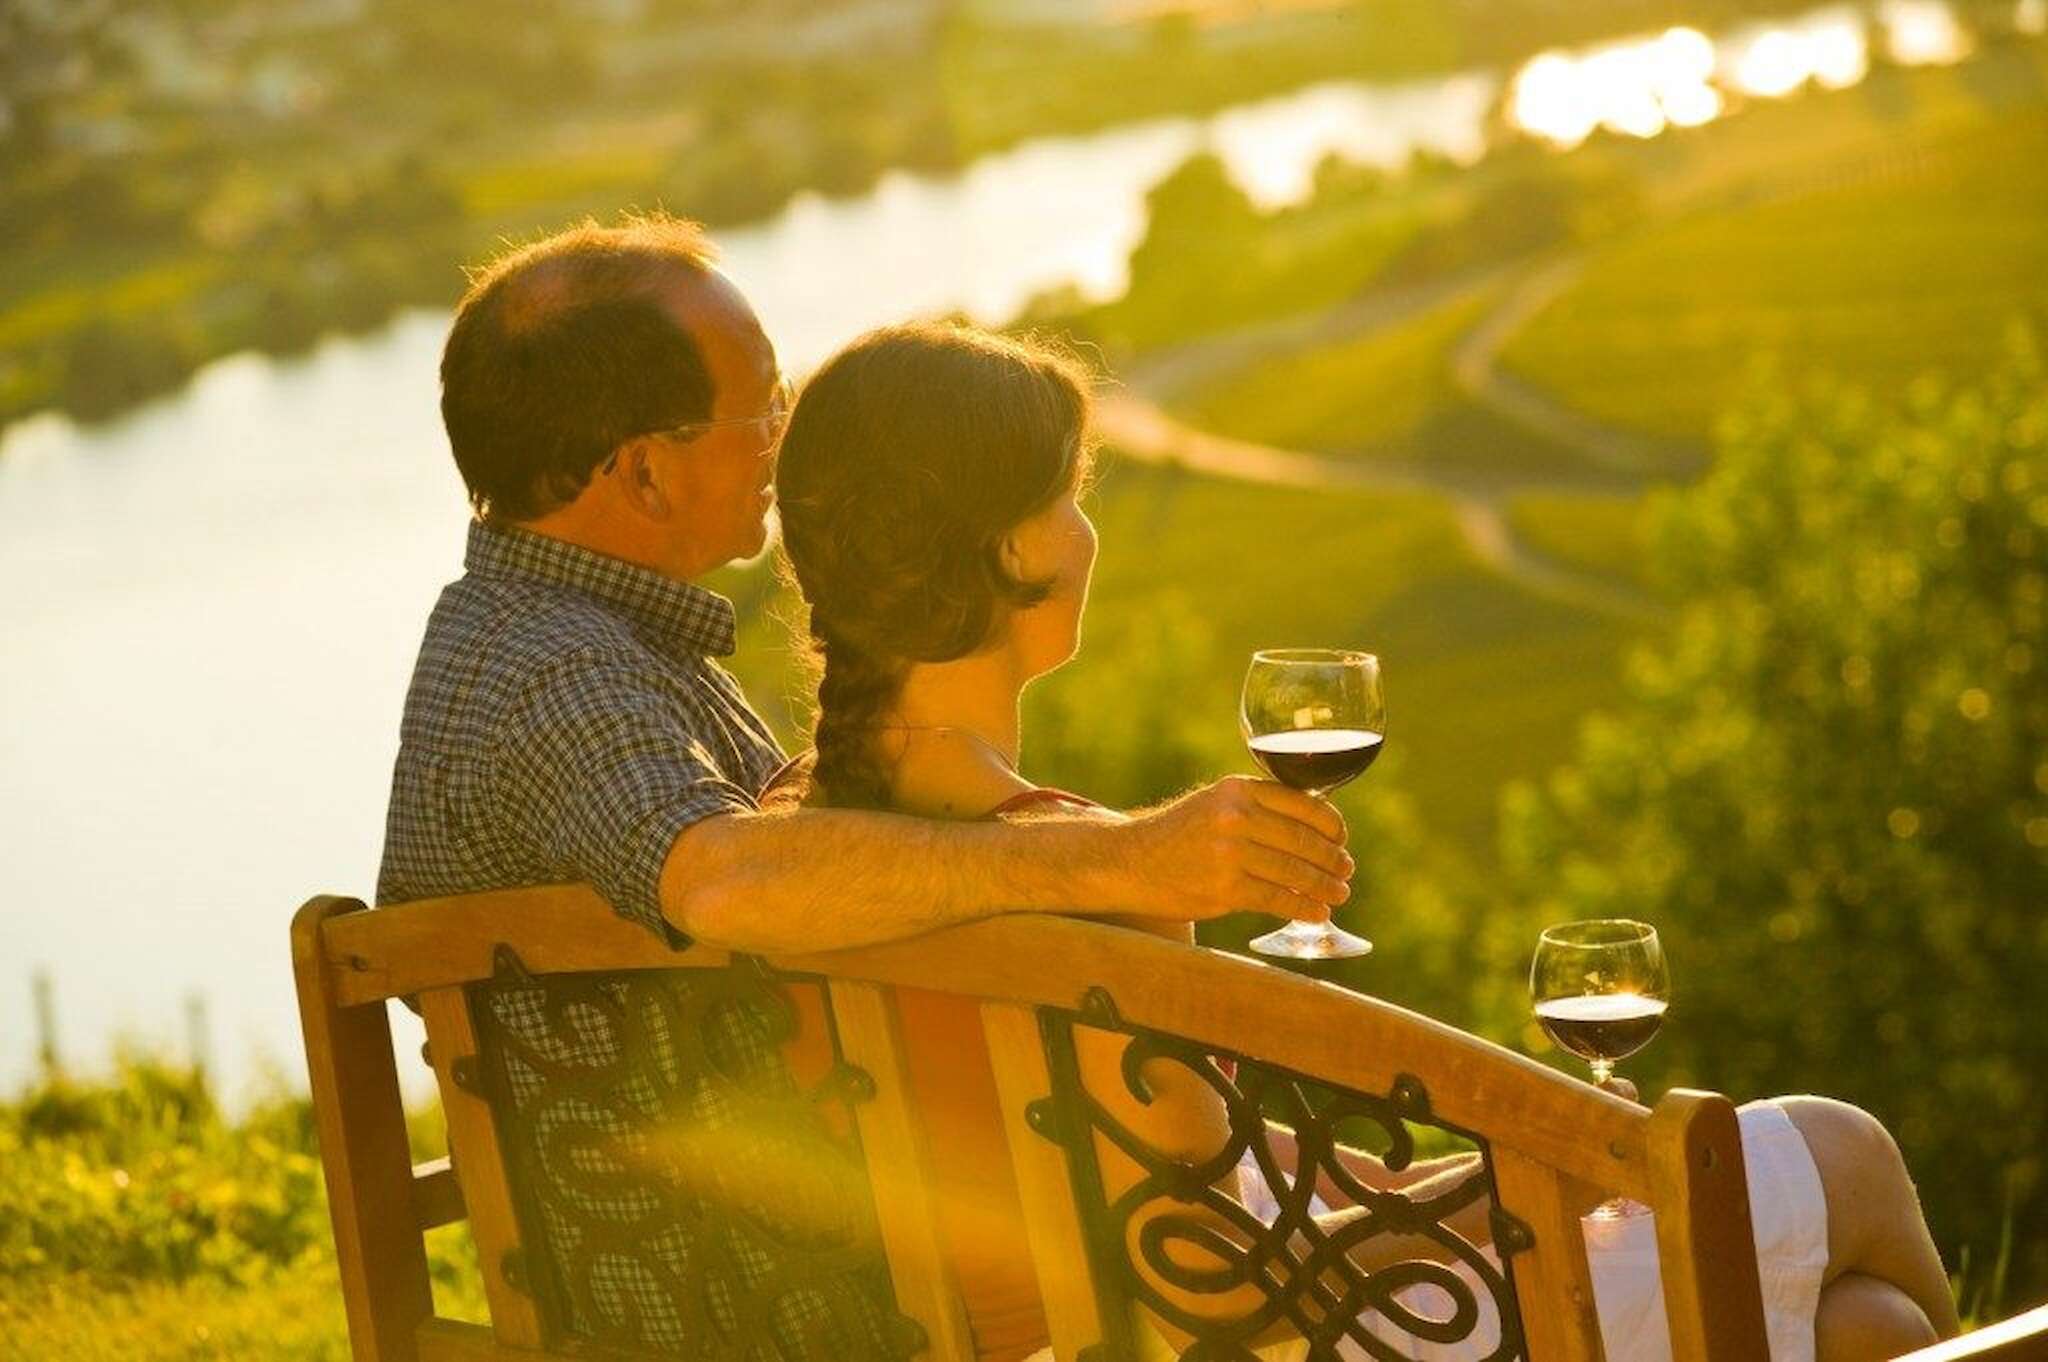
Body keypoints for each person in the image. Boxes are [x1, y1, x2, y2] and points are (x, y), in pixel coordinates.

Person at [767, 319, 1962, 1362]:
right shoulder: (1097, 870)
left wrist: (1435, 1181)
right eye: (1067, 498)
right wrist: (1515, 1183)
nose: (1085, 532)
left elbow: (1178, 1179)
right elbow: (1214, 1278)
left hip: (1091, 1335)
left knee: (1863, 1335)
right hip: (1304, 1339)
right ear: (1011, 550)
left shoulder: (782, 858)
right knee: (1839, 1150)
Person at [375, 213, 1354, 1357]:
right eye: (761, 407)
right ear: (643, 470)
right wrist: (1124, 861)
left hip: (753, 1268)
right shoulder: (553, 672)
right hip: (751, 1310)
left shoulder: (556, 646)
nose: (782, 437)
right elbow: (722, 884)